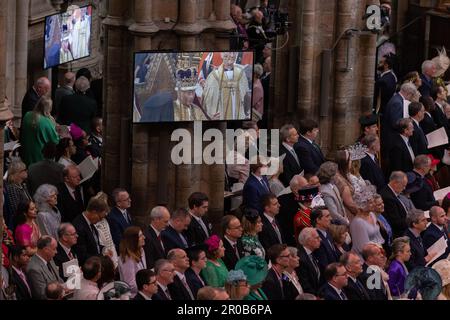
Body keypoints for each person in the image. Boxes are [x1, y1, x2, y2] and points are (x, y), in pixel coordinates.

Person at [202, 52, 249, 120]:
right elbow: (207, 101)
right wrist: (210, 118)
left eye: (234, 53)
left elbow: (246, 97)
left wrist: (246, 114)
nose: (232, 55)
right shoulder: (213, 76)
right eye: (229, 52)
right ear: (221, 54)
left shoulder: (241, 74)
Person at [20, 96, 59, 167]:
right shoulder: (46, 122)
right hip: (39, 154)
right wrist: (54, 125)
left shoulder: (27, 115)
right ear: (48, 108)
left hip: (26, 152)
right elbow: (55, 140)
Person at [381, 82, 417, 154]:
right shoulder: (397, 103)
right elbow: (395, 123)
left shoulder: (397, 98)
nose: (411, 99)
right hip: (392, 138)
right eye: (412, 96)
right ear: (408, 93)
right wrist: (407, 122)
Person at [72, 197, 109, 265]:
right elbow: (82, 255)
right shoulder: (79, 227)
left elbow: (93, 244)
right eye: (100, 218)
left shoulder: (90, 223)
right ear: (94, 212)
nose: (100, 221)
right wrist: (102, 256)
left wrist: (103, 249)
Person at [350, 185, 385, 256]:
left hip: (377, 253)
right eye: (370, 203)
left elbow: (378, 237)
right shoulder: (358, 223)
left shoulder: (372, 214)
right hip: (366, 258)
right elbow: (362, 248)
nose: (374, 204)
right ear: (362, 205)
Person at [118, 226, 146, 297]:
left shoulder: (141, 250)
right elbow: (130, 284)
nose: (144, 237)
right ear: (133, 240)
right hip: (133, 296)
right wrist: (146, 287)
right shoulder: (127, 258)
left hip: (143, 292)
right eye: (140, 236)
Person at [379, 171, 409, 238]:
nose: (404, 188)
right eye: (403, 185)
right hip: (400, 234)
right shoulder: (388, 197)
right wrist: (412, 221)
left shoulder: (391, 192)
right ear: (395, 183)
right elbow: (396, 223)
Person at [4, 158, 32, 229]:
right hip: (21, 224)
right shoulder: (12, 188)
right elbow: (15, 209)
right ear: (17, 173)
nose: (27, 171)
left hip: (28, 220)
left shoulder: (23, 185)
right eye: (25, 170)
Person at [318, 162, 349, 226]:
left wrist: (345, 218)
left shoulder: (333, 186)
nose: (338, 175)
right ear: (331, 176)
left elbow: (341, 206)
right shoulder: (325, 192)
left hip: (343, 222)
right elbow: (333, 214)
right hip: (336, 227)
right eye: (336, 173)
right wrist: (346, 222)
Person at [296, 227, 322, 295]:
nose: (320, 239)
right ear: (308, 241)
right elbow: (305, 285)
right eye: (317, 238)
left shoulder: (312, 252)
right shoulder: (300, 259)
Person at [333, 150, 358, 218]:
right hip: (347, 214)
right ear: (345, 163)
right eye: (350, 160)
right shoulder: (340, 180)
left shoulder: (340, 174)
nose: (351, 162)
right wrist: (363, 212)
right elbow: (350, 205)